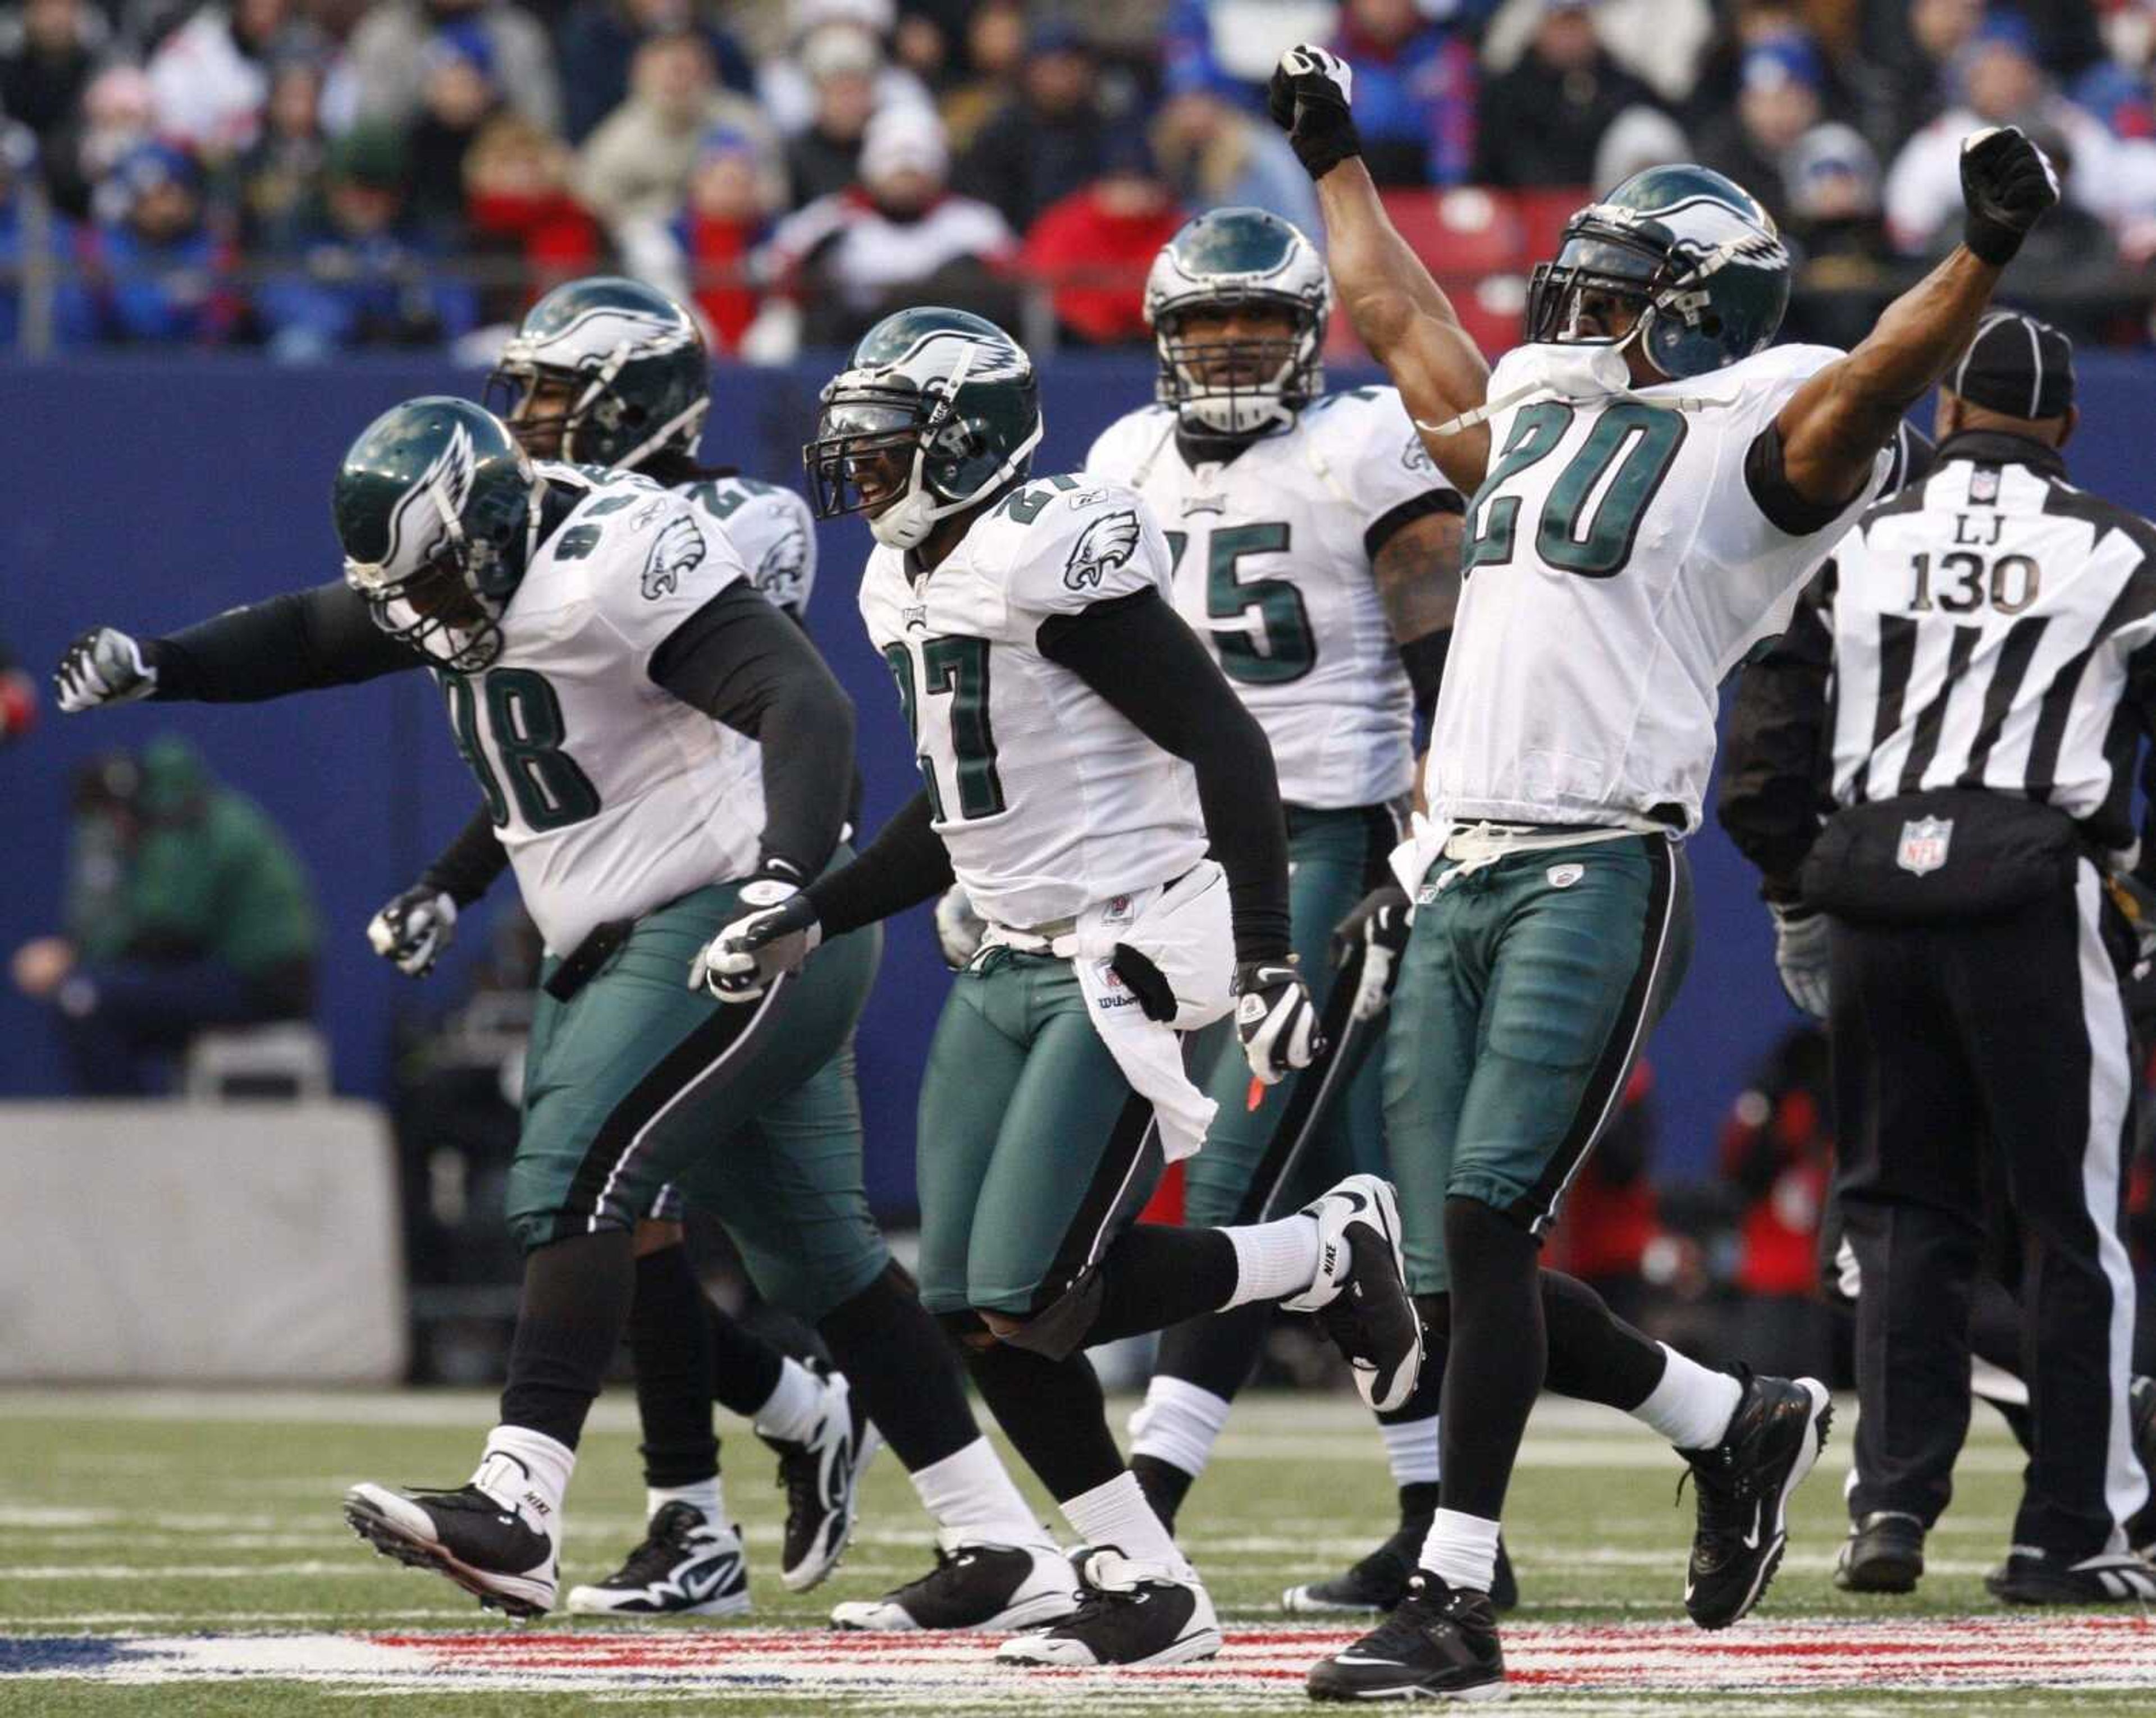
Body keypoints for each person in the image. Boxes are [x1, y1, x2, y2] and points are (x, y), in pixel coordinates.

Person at [48, 284, 1054, 1635]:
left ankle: (518, 1506)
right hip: (665, 926)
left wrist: (781, 874)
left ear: (505, 524)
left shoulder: (626, 549)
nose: (436, 615)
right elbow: (308, 632)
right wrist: (156, 664)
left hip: (729, 918)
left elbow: (800, 699)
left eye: (451, 580)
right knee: (822, 1261)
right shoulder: (451, 575)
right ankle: (1003, 1543)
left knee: (574, 1171)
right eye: (414, 593)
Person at [1264, 39, 2057, 1699]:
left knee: (1484, 1228)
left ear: (1695, 312)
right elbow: (1404, 321)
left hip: (1589, 868)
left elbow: (1857, 394)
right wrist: (1338, 158)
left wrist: (1975, 256)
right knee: (1442, 1271)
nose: (1568, 314)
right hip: (1450, 872)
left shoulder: (1741, 447)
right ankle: (1730, 1420)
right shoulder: (1529, 431)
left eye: (1611, 293)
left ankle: (1453, 1599)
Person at [705, 305, 1424, 1667]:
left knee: (1038, 1287)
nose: (861, 473)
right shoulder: (899, 580)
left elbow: (1227, 741)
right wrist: (817, 904)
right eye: (852, 449)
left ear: (964, 441)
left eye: (887, 446)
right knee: (971, 1302)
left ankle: (1324, 1252)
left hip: (1134, 936)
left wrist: (1269, 946)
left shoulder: (1051, 550)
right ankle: (1133, 1575)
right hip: (1013, 941)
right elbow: (956, 807)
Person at [1077, 207, 1486, 1612]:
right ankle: (1438, 1511)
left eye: (1257, 319)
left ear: (1309, 331)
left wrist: (1416, 846)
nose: (1231, 345)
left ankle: (1145, 1506)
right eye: (1203, 323)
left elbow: (1447, 654)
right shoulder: (1118, 462)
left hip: (1325, 829)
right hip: (1170, 857)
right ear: (1160, 336)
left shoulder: (1359, 443)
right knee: (1340, 1195)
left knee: (1243, 1165)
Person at [1716, 310, 2156, 1605]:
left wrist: (1801, 881)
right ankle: (2066, 1533)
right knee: (2069, 1226)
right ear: (2065, 430)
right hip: (2030, 889)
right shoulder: (2120, 551)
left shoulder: (1859, 545)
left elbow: (1762, 747)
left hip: (1873, 903)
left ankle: (1890, 1511)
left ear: (1948, 412)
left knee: (1899, 1215)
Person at [12, 736, 318, 1095]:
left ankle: (124, 1141)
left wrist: (72, 955)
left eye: (112, 816)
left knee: (84, 1000)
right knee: (111, 998)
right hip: (242, 974)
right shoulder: (196, 813)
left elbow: (168, 933)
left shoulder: (184, 824)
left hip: (260, 984)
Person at [1474, 0, 1658, 190]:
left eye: (1577, 24)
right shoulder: (1509, 91)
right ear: (1541, 28)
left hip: (1607, 206)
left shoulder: (1623, 86)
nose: (1569, 37)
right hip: (1525, 206)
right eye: (1561, 25)